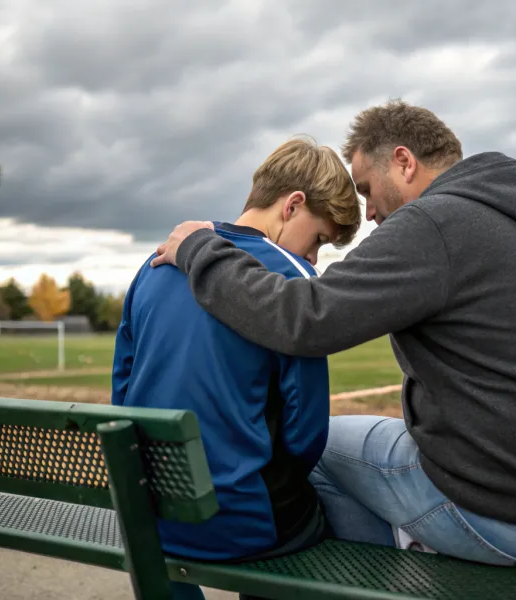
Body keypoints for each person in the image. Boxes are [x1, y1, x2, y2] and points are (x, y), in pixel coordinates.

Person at [149, 100, 516, 567]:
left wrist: (200, 249)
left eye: (367, 188)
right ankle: (417, 546)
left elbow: (305, 317)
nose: (369, 212)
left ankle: (403, 559)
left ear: (404, 162)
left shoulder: (433, 222)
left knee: (308, 453)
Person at [112, 137, 361, 599]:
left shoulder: (154, 263)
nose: (314, 258)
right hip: (238, 521)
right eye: (320, 239)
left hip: (153, 512)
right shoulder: (291, 276)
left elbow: (122, 391)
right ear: (292, 205)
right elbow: (306, 433)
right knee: (329, 515)